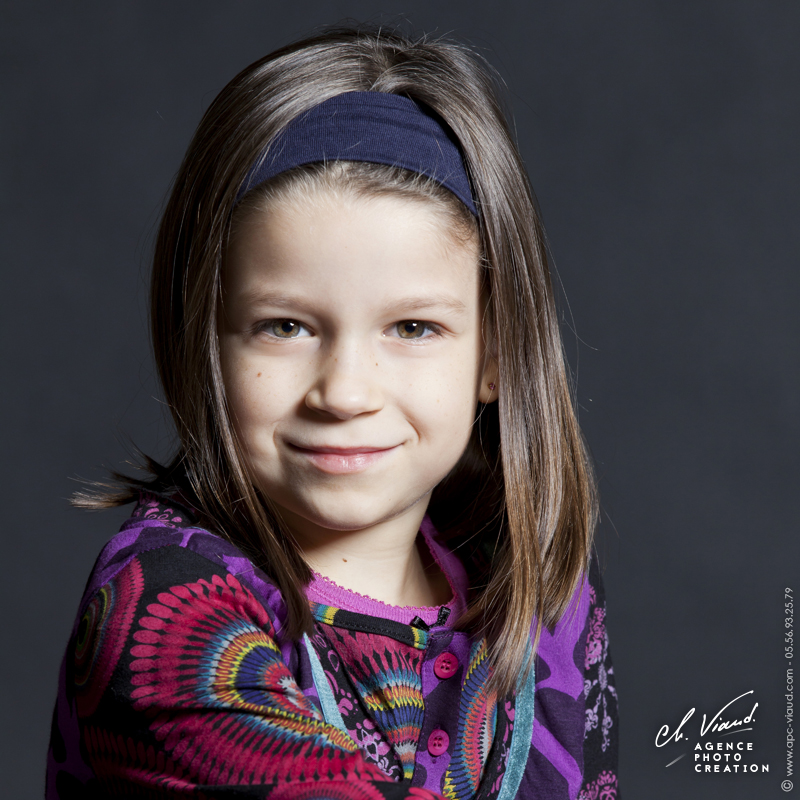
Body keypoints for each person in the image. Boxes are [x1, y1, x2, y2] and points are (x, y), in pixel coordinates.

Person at [46, 25, 619, 800]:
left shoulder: (534, 589)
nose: (345, 393)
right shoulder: (166, 608)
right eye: (286, 326)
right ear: (206, 337)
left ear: (496, 356)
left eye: (414, 328)